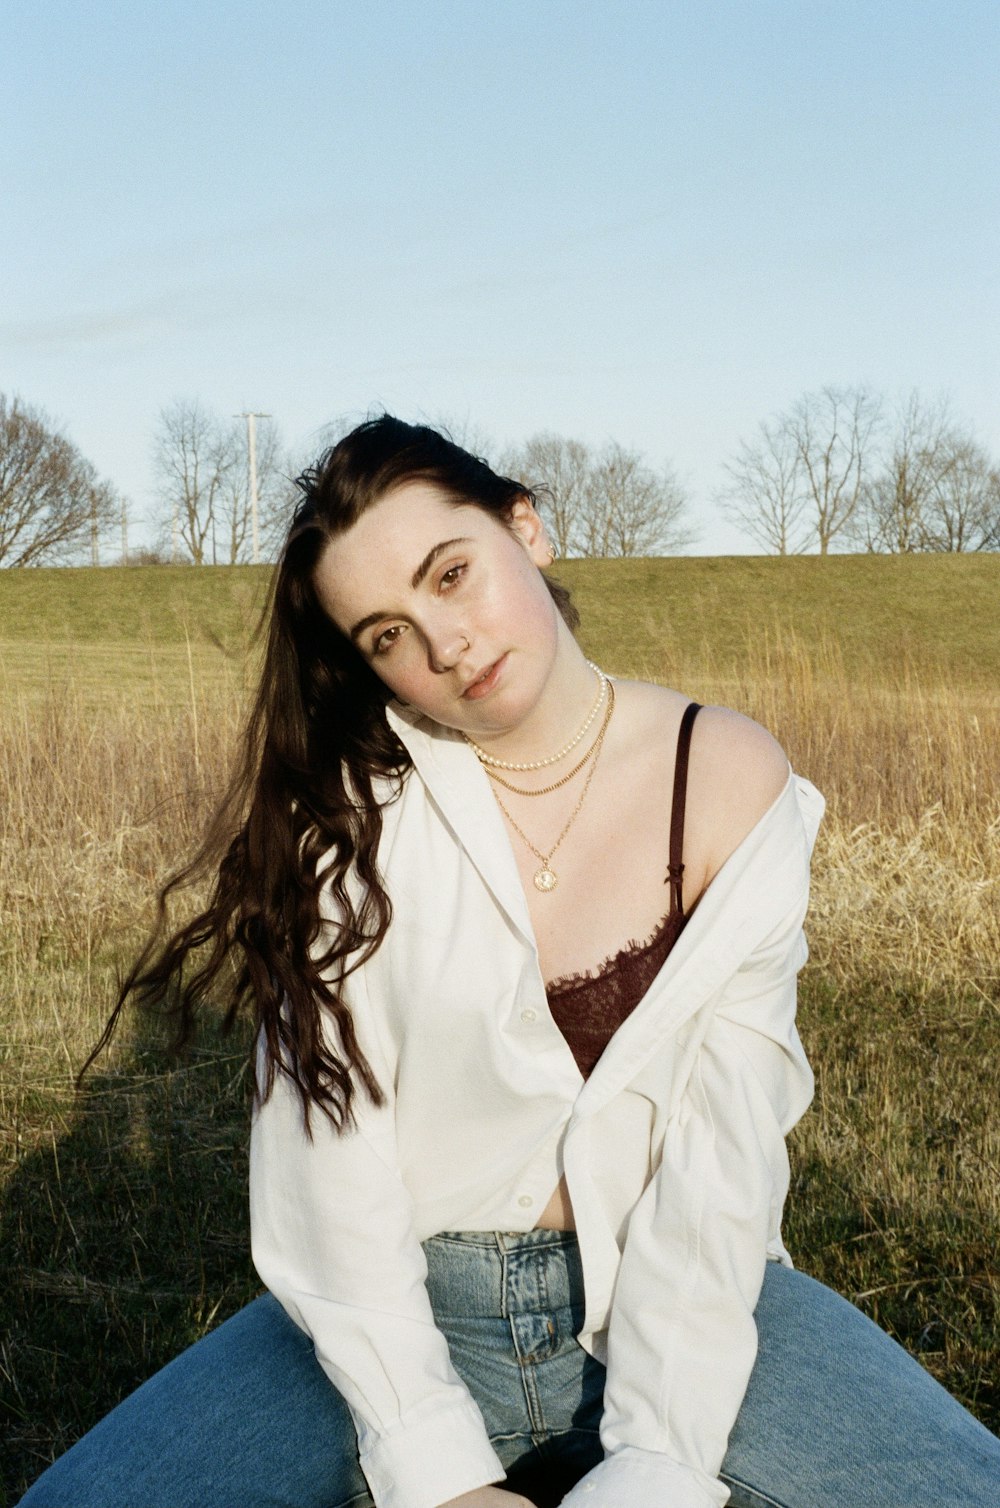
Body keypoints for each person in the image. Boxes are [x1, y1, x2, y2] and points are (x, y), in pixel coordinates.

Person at [20, 417, 999, 1508]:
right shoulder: (352, 819)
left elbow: (727, 1139)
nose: (442, 644)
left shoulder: (725, 773)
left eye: (452, 574)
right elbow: (326, 1167)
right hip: (396, 1309)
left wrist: (661, 1456)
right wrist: (432, 1466)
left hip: (678, 1299)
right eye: (386, 633)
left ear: (525, 528)